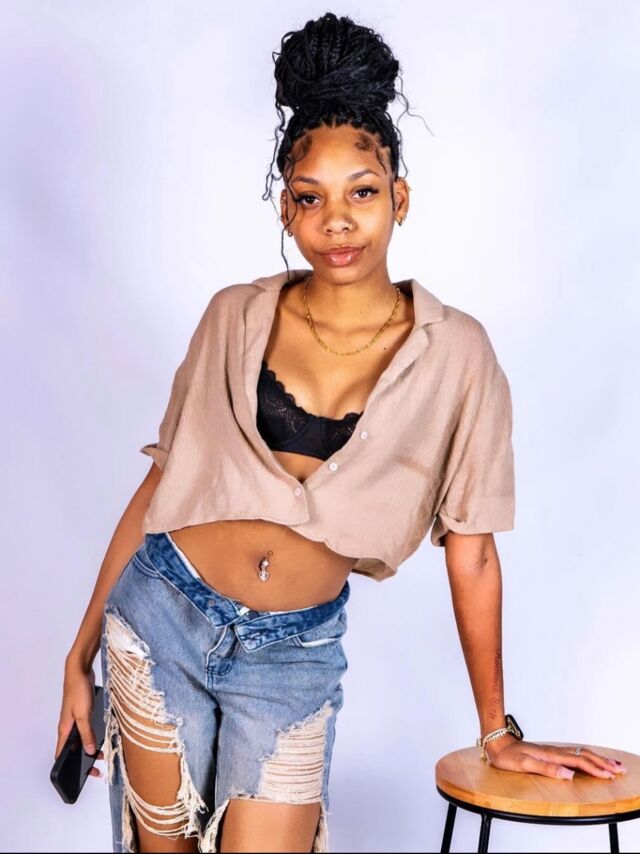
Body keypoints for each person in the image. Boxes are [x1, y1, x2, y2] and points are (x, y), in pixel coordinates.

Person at [55, 12, 626, 854]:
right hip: (160, 615)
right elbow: (163, 483)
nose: (337, 220)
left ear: (400, 197)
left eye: (361, 191)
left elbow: (471, 551)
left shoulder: (458, 356)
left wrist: (496, 729)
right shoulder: (232, 316)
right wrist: (78, 658)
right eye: (310, 197)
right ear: (287, 209)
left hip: (294, 657)